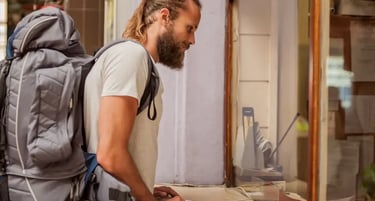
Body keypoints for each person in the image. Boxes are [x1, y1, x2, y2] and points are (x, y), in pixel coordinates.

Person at [83, 0, 202, 200]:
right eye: (189, 28)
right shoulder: (131, 56)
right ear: (164, 17)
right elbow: (110, 154)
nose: (192, 40)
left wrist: (143, 190)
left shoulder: (138, 61)